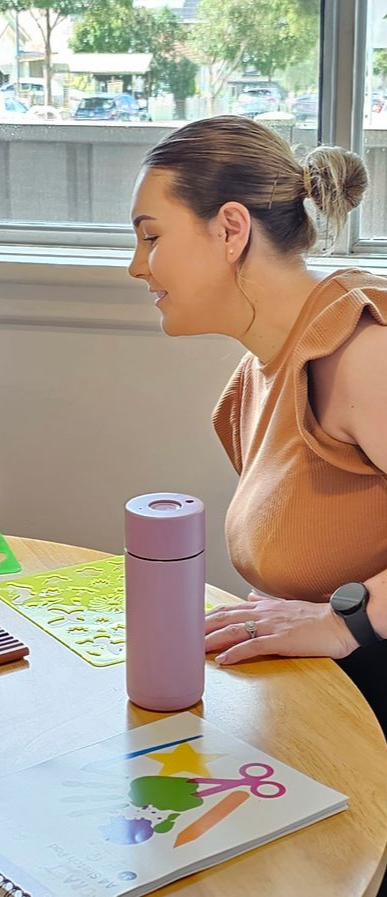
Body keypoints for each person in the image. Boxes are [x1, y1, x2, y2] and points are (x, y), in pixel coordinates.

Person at [127, 115, 387, 731]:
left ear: (231, 229)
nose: (136, 267)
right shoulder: (261, 370)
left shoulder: (359, 355)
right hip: (327, 700)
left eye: (151, 237)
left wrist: (346, 619)